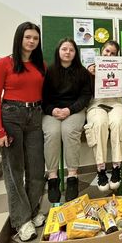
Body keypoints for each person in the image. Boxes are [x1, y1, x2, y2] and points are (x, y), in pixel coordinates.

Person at [0, 22, 46, 242]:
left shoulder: (40, 65)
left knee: (36, 168)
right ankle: (21, 220)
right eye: (27, 37)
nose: (31, 41)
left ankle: (32, 210)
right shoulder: (3, 64)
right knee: (14, 170)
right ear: (19, 38)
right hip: (11, 116)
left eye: (35, 38)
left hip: (36, 115)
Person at [42, 38, 91, 203]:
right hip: (52, 111)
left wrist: (70, 110)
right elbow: (43, 97)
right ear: (58, 51)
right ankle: (52, 177)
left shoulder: (82, 72)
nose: (67, 52)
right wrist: (52, 110)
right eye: (64, 49)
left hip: (75, 110)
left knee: (69, 131)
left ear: (75, 53)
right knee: (52, 133)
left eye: (71, 49)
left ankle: (72, 176)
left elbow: (85, 96)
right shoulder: (49, 71)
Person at [85, 40, 122, 192]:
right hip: (96, 104)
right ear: (101, 51)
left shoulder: (121, 68)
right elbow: (84, 91)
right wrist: (89, 74)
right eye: (107, 51)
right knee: (99, 123)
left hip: (116, 102)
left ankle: (117, 167)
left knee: (118, 122)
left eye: (113, 53)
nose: (109, 55)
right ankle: (101, 169)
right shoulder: (91, 68)